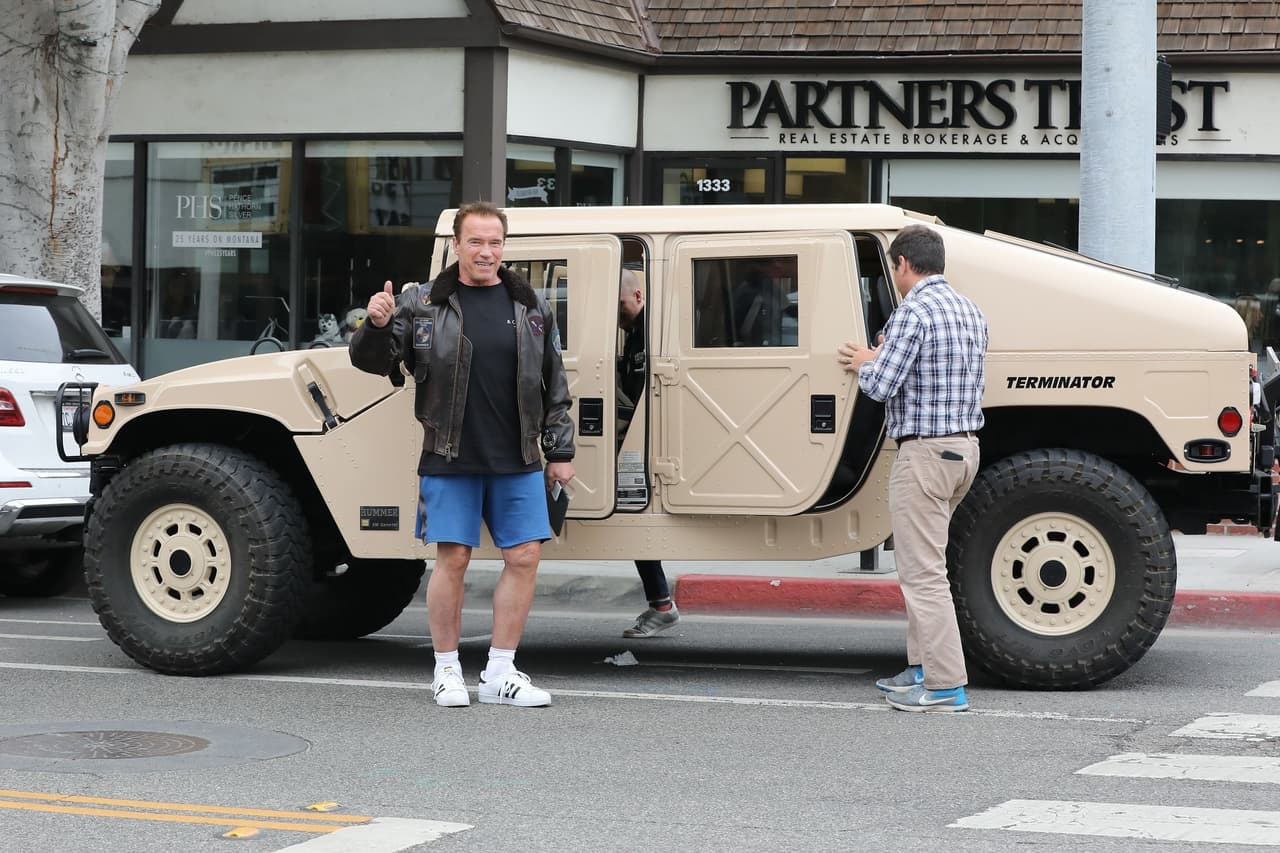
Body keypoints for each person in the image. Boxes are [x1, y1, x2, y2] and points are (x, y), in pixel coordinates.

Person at [350, 201, 575, 709]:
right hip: (449, 452)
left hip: (517, 455)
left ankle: (500, 671)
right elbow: (371, 360)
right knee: (453, 559)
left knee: (525, 556)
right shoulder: (421, 302)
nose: (486, 251)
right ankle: (447, 670)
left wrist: (559, 450)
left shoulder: (530, 305)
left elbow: (553, 383)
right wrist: (377, 324)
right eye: (476, 241)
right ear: (456, 246)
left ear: (504, 247)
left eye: (495, 242)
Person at [836, 224, 987, 713]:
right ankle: (919, 670)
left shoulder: (912, 312)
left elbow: (880, 386)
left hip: (924, 454)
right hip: (964, 451)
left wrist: (865, 359)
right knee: (930, 565)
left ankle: (944, 686)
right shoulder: (969, 309)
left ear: (902, 264)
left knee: (922, 576)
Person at [616, 266, 679, 638]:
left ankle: (661, 603)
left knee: (634, 513)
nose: (617, 313)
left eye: (620, 304)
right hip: (637, 438)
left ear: (638, 297)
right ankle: (660, 602)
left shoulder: (651, 334)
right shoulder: (635, 333)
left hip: (647, 442)